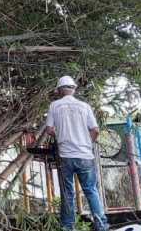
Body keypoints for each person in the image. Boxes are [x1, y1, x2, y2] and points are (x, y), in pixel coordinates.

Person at [45, 75, 109, 231]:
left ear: (60, 91)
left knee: (67, 193)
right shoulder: (85, 106)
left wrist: (60, 135)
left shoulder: (54, 106)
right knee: (91, 190)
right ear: (73, 90)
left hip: (66, 156)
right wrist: (88, 143)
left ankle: (67, 227)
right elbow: (95, 130)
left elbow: (49, 130)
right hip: (85, 155)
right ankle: (101, 224)